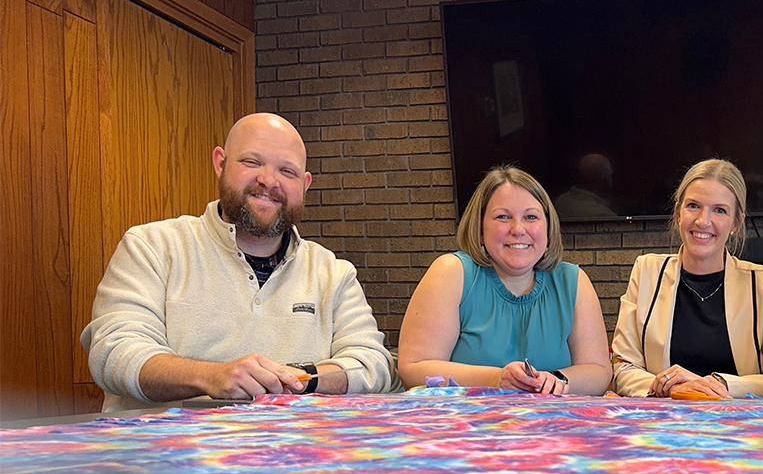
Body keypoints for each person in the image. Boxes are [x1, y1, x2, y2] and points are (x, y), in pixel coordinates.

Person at [82, 113, 392, 411]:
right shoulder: (152, 247)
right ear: (220, 162)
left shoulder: (333, 272)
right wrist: (212, 376)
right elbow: (114, 354)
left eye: (287, 171)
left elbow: (374, 364)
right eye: (252, 162)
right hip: (166, 454)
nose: (268, 180)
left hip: (297, 453)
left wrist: (298, 377)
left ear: (305, 184)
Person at [396, 165, 612, 395]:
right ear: (479, 229)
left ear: (548, 229)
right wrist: (497, 379)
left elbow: (599, 371)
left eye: (531, 217)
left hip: (552, 425)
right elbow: (414, 369)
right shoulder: (451, 272)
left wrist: (556, 380)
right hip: (464, 425)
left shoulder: (573, 280)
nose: (518, 229)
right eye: (503, 217)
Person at [611, 159, 763, 399]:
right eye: (693, 206)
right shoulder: (646, 270)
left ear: (736, 223)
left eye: (719, 210)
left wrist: (718, 384)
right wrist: (673, 386)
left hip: (740, 425)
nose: (702, 221)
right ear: (678, 213)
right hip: (660, 423)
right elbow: (623, 365)